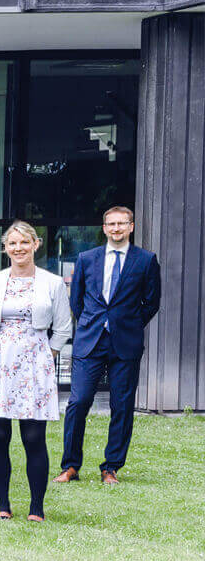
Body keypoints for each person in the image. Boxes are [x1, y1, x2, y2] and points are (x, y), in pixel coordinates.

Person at [0, 221, 73, 521]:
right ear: (5, 247)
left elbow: (64, 327)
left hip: (34, 363)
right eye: (12, 243)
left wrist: (44, 354)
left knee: (33, 437)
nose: (18, 248)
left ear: (36, 244)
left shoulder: (52, 283)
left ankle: (36, 508)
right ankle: (3, 505)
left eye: (24, 243)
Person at [59, 205, 162, 485]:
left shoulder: (146, 260)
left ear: (131, 226)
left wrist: (127, 323)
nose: (116, 228)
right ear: (104, 228)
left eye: (122, 223)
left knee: (122, 405)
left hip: (125, 343)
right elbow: (76, 301)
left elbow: (151, 302)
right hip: (90, 341)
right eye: (111, 224)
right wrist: (95, 323)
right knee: (78, 402)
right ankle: (70, 466)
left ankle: (111, 467)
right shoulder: (86, 258)